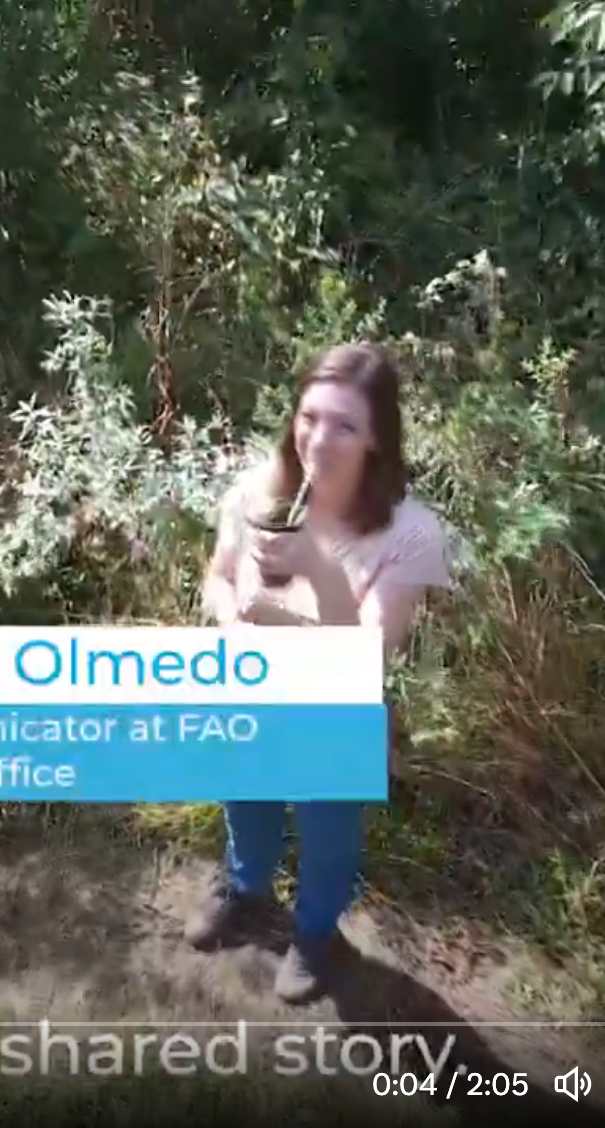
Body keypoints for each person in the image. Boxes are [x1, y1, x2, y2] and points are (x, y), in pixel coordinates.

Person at [187, 341, 453, 1004]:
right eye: (310, 417)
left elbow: (366, 658)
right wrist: (232, 622)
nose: (320, 438)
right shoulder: (257, 492)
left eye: (345, 425)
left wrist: (316, 566)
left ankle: (315, 932)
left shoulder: (411, 532)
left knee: (328, 833)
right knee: (246, 805)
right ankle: (247, 891)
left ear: (376, 441)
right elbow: (217, 579)